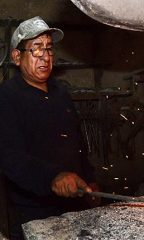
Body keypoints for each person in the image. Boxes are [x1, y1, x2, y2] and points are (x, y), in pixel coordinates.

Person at [0, 16, 100, 240]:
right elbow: (9, 156)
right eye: (36, 50)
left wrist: (89, 177)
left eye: (49, 48)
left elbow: (78, 142)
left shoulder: (60, 92)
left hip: (75, 203)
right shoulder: (7, 96)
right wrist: (52, 177)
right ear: (17, 57)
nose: (45, 57)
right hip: (34, 211)